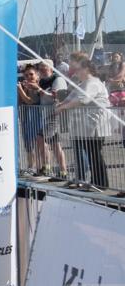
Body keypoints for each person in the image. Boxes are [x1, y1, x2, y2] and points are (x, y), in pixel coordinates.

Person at [55, 57, 111, 188]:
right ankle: (95, 182)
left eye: (78, 69)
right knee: (92, 154)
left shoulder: (92, 82)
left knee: (95, 154)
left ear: (86, 69)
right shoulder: (83, 83)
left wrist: (63, 107)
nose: (75, 72)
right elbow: (72, 96)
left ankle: (100, 183)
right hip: (86, 126)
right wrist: (62, 103)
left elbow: (83, 99)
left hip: (95, 125)